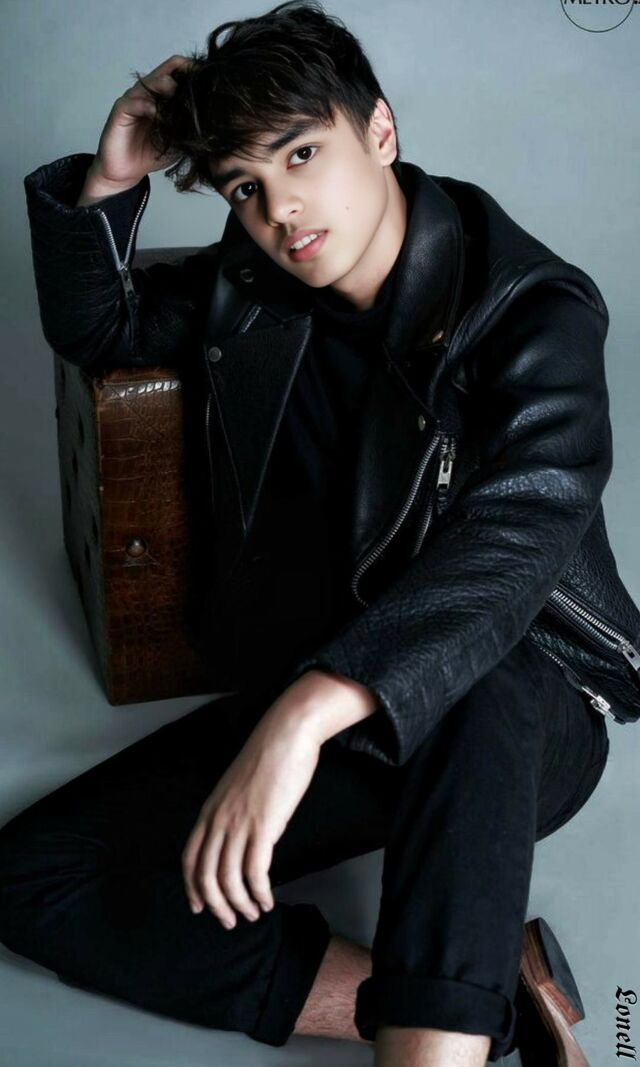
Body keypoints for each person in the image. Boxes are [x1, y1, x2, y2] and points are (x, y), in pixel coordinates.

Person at [3, 1, 634, 1063]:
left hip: (519, 717)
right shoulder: (255, 288)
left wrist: (302, 714)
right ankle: (487, 995)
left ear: (378, 130)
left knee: (485, 679)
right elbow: (101, 326)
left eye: (301, 154)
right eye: (246, 186)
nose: (280, 209)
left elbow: (513, 545)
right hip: (338, 709)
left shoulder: (531, 308)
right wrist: (112, 176)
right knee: (33, 874)